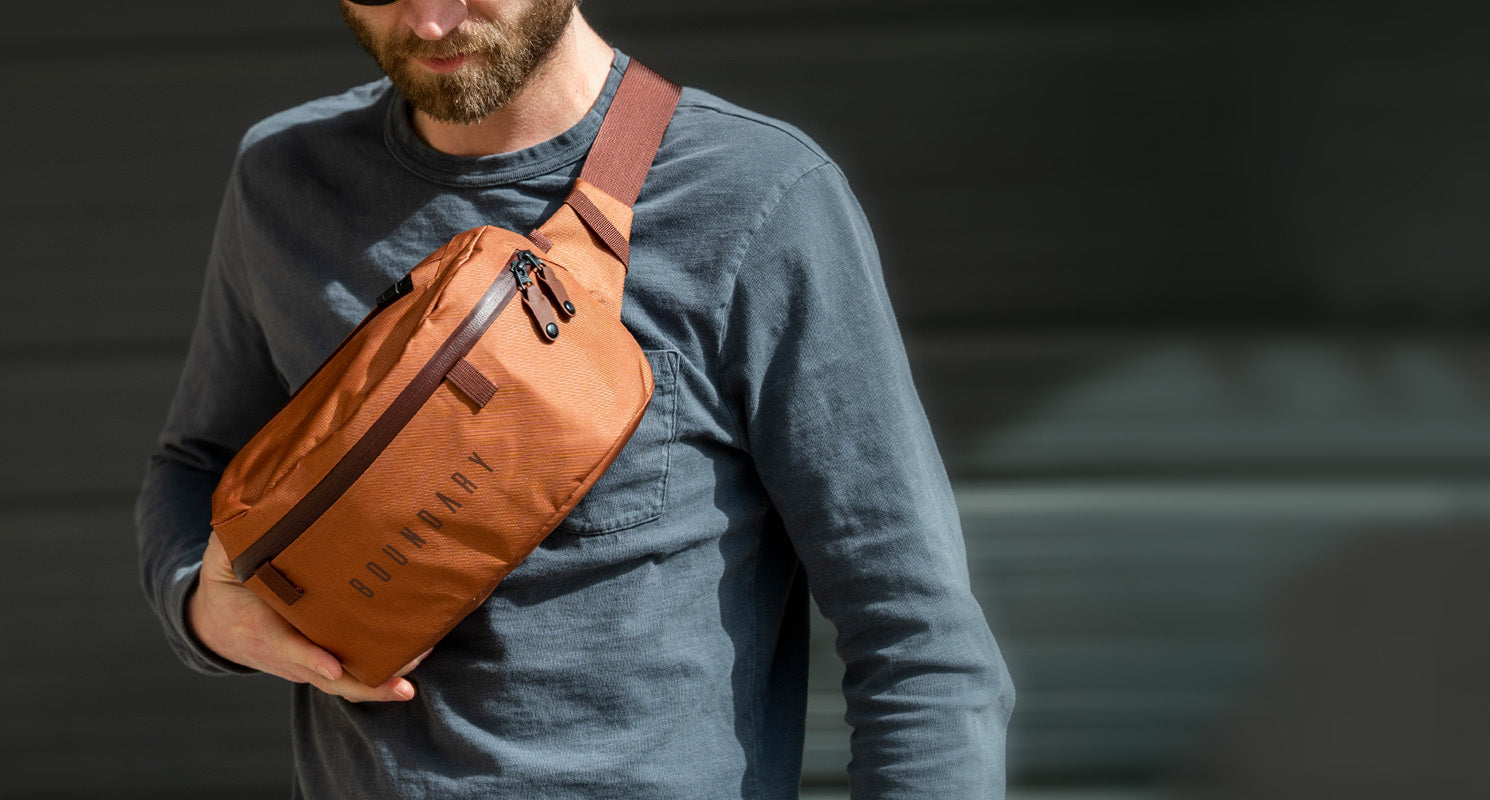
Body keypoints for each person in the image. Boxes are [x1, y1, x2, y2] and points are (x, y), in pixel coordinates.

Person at [134, 0, 1014, 797]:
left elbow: (922, 648)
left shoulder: (757, 197)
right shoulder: (284, 181)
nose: (432, 25)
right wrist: (207, 611)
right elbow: (193, 464)